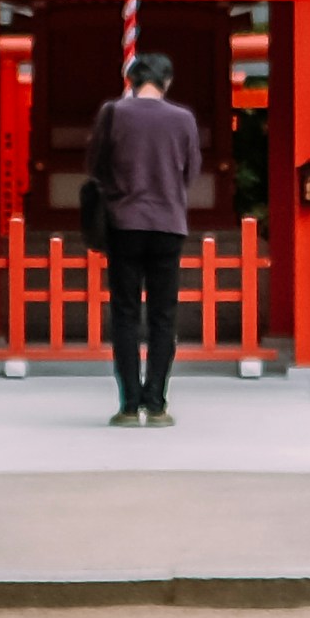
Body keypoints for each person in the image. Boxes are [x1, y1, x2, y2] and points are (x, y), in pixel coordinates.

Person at [92, 49, 210, 427]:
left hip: (124, 223)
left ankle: (128, 404)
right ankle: (156, 403)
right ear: (167, 81)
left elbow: (96, 166)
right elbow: (191, 171)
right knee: (163, 316)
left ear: (132, 80)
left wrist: (119, 193)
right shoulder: (183, 119)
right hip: (168, 224)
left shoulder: (113, 113)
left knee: (125, 315)